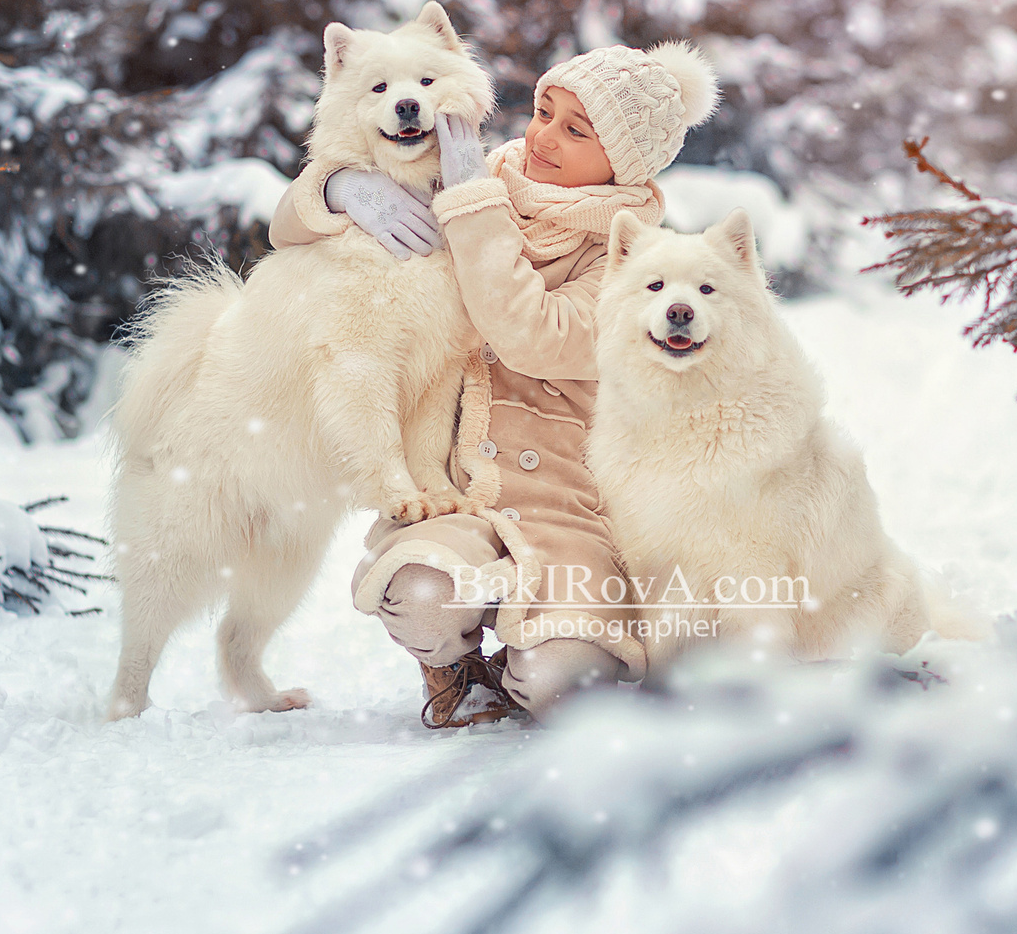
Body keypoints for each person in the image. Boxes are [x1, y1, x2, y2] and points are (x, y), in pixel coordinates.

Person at [264, 40, 719, 725]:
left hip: (565, 504)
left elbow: (530, 333)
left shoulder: (634, 259)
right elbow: (285, 229)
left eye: (576, 129)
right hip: (455, 486)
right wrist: (338, 189)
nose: (543, 136)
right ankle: (457, 663)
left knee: (559, 685)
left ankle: (530, 660)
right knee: (416, 593)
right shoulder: (477, 174)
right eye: (543, 110)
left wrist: (472, 197)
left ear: (623, 160)